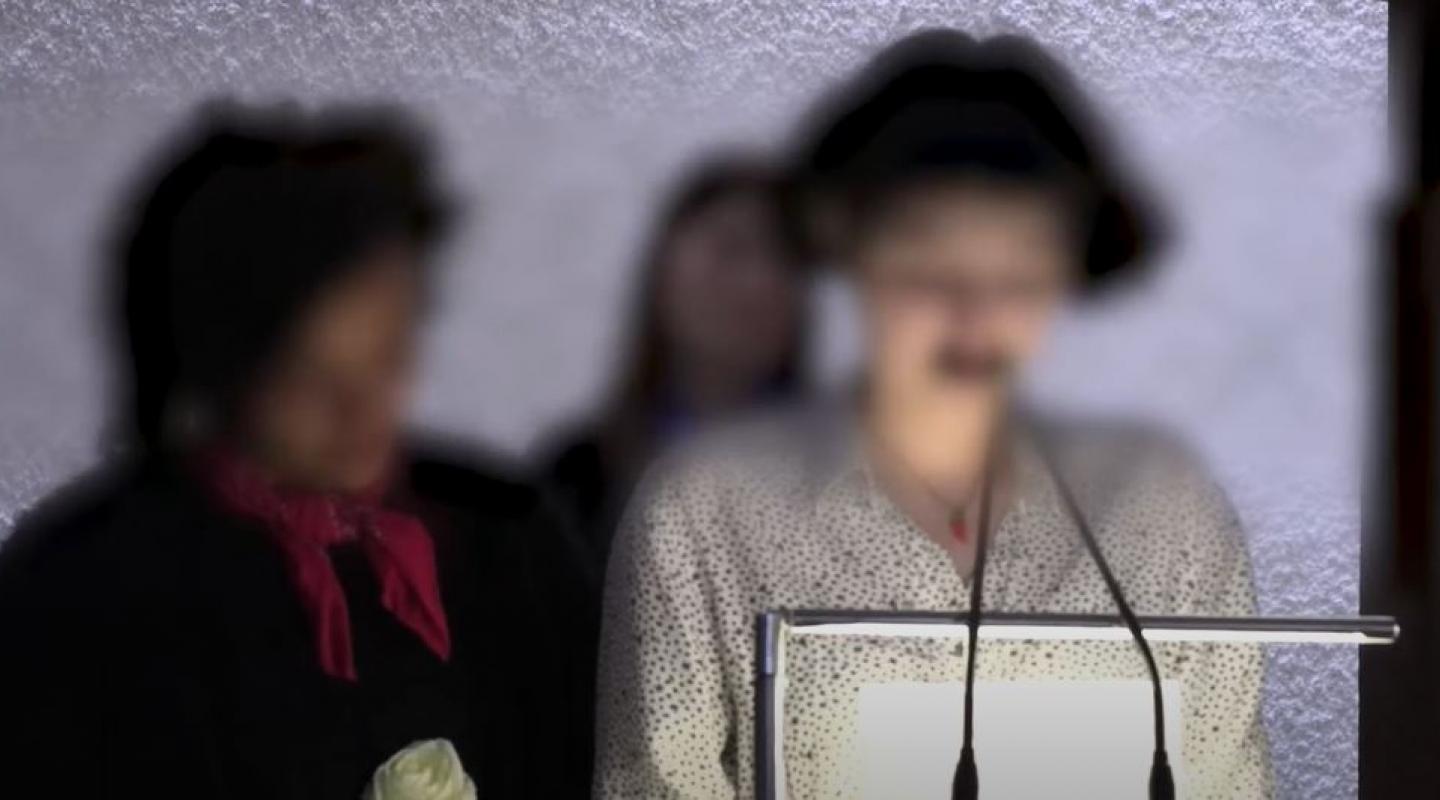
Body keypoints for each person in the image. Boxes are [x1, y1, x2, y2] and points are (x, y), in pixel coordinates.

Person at [593, 30, 1273, 799]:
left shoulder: (1166, 509)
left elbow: (1229, 784)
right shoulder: (705, 508)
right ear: (851, 252)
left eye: (1019, 274)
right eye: (930, 270)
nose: (975, 315)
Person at [0, 104, 595, 799]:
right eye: (309, 378)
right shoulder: (85, 589)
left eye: (389, 356)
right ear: (222, 369)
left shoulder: (510, 535)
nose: (363, 409)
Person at [538, 155, 809, 573]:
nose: (759, 282)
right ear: (662, 273)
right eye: (731, 249)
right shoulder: (579, 478)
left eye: (785, 259)